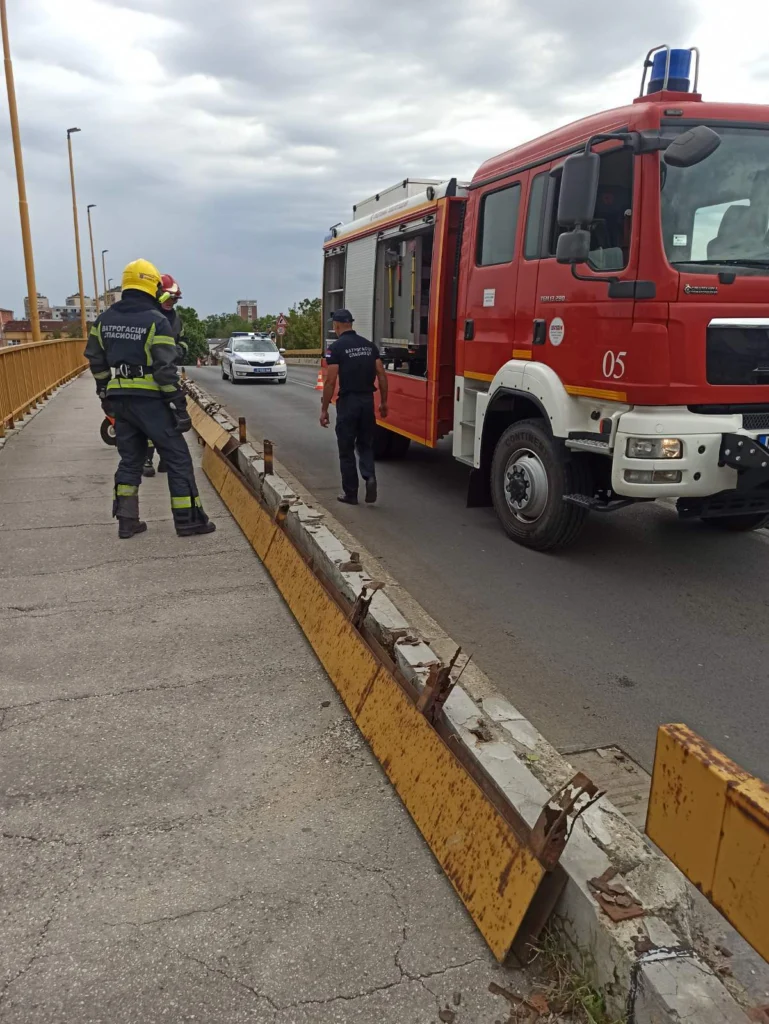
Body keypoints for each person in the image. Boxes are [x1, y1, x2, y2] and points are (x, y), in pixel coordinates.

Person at [84, 258, 216, 539]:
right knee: (178, 458)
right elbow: (165, 370)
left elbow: (95, 359)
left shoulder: (104, 320)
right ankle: (188, 521)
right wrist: (177, 403)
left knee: (130, 460)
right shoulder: (157, 321)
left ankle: (127, 521)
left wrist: (104, 391)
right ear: (152, 286)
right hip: (151, 401)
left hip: (121, 399)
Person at [319, 309, 388, 505]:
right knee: (365, 444)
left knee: (346, 448)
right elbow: (382, 375)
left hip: (349, 402)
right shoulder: (369, 346)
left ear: (336, 325)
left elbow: (330, 381)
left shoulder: (336, 348)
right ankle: (370, 476)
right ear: (351, 323)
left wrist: (324, 409)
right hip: (367, 401)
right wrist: (384, 401)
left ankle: (350, 494)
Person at [143, 274, 186, 477]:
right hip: (148, 376)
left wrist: (178, 351)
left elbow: (183, 341)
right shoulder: (148, 317)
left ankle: (164, 459)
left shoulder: (176, 320)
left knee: (168, 419)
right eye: (169, 297)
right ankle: (146, 459)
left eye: (174, 299)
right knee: (149, 421)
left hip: (168, 373)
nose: (171, 302)